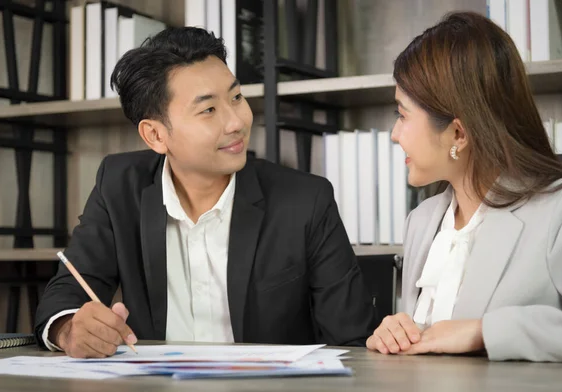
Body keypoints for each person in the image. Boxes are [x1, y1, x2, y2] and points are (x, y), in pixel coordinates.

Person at [35, 27, 375, 358]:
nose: (236, 122)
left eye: (236, 97)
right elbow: (65, 295)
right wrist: (69, 328)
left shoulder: (305, 200)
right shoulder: (119, 185)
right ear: (155, 136)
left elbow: (351, 344)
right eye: (209, 109)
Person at [366, 11, 562, 362]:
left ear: (458, 134)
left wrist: (484, 331)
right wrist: (393, 335)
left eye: (402, 116)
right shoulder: (422, 221)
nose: (394, 135)